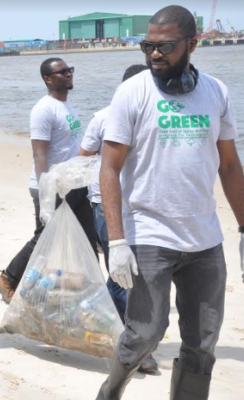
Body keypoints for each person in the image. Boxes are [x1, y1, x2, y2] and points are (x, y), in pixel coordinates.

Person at [96, 6, 244, 400]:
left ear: (192, 44)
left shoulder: (216, 91)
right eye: (148, 45)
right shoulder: (132, 92)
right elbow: (109, 168)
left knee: (203, 343)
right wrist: (117, 242)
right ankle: (111, 392)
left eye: (165, 46)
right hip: (150, 233)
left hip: (204, 238)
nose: (154, 54)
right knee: (145, 333)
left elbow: (231, 164)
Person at [0, 58, 98, 303]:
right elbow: (39, 154)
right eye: (61, 72)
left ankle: (92, 289)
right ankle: (8, 278)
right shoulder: (44, 109)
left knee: (87, 236)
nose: (68, 74)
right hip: (52, 187)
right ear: (48, 79)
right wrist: (45, 194)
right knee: (45, 238)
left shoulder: (66, 106)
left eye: (69, 70)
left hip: (73, 184)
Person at [79, 64, 158, 375]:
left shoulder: (154, 117)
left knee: (138, 275)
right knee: (120, 275)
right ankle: (130, 342)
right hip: (104, 205)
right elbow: (82, 158)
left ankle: (130, 337)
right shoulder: (103, 117)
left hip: (142, 207)